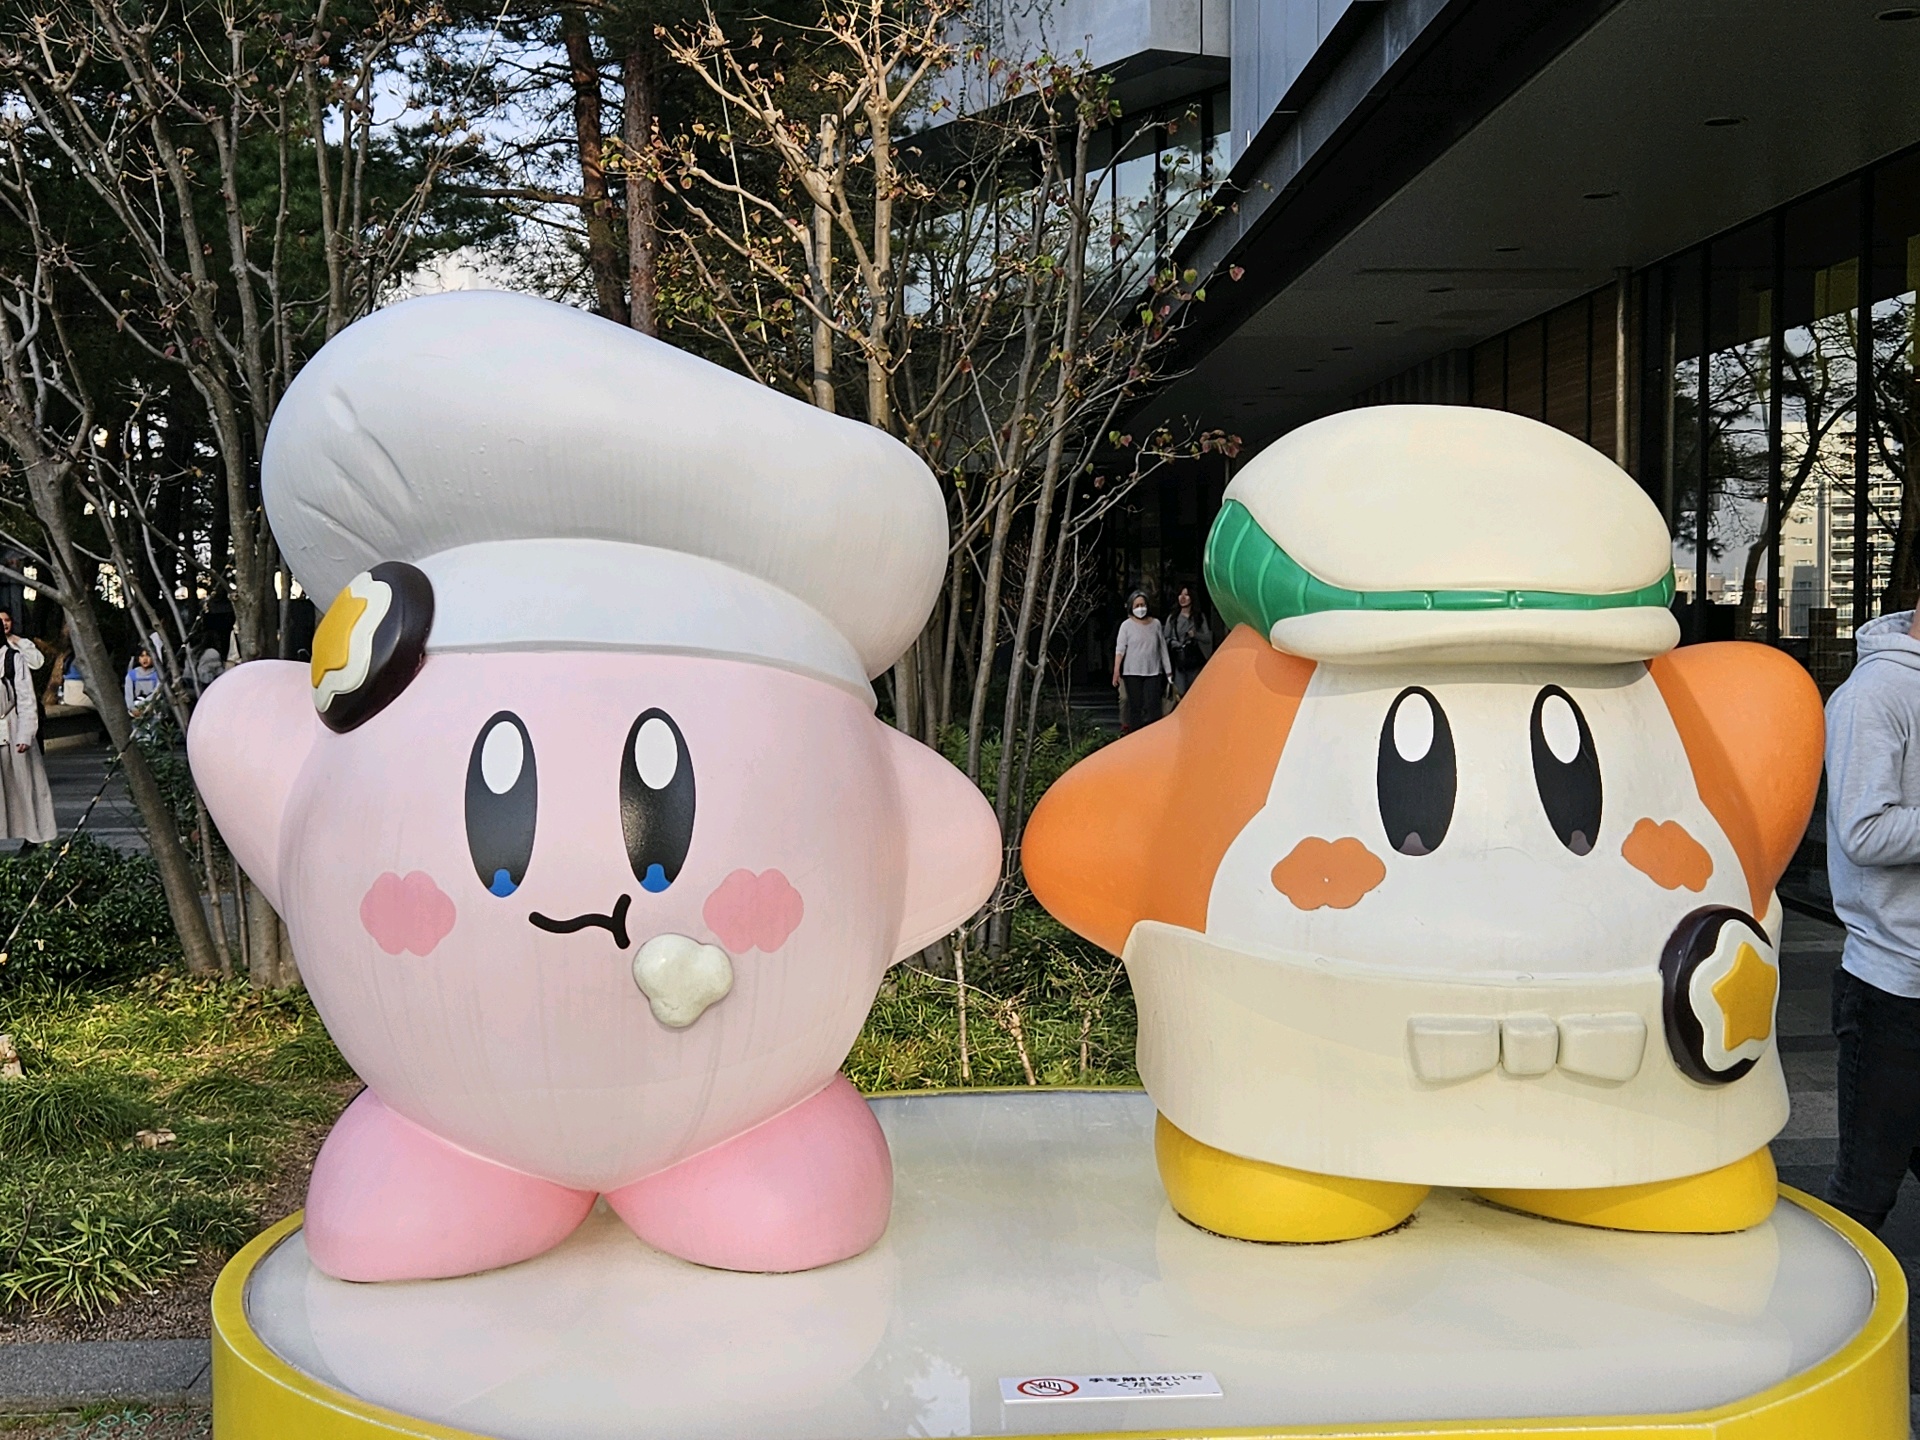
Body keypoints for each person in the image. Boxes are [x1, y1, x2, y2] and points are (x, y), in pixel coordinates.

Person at [1825, 606, 1920, 1232]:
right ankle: (1814, 1297)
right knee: (1862, 1195)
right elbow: (1863, 832)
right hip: (1893, 990)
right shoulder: (1875, 694)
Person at [0, 611, 55, 847]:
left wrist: (25, 733)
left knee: (25, 782)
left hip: (13, 726)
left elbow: (26, 698)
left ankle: (33, 836)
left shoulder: (14, 656)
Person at [1112, 590, 1171, 733]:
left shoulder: (1156, 624)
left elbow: (1162, 648)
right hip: (1132, 672)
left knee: (1152, 706)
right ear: (1131, 607)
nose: (1140, 608)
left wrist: (1168, 671)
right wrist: (1116, 670)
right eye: (1137, 605)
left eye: (1143, 605)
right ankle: (1135, 734)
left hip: (1153, 672)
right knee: (1135, 706)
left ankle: (1153, 734)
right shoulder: (1126, 625)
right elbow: (1120, 649)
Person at [1166, 585, 1213, 696]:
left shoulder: (1199, 617)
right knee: (1180, 692)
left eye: (1186, 595)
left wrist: (1196, 635)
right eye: (1180, 594)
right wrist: (1175, 644)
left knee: (1195, 692)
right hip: (1179, 661)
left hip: (1195, 660)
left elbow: (1208, 638)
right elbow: (1165, 638)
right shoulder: (1173, 618)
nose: (1183, 598)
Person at [124, 649, 161, 719]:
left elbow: (157, 692)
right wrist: (132, 708)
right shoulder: (131, 675)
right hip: (136, 712)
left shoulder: (158, 674)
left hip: (154, 710)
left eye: (148, 655)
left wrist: (143, 705)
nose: (145, 659)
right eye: (142, 656)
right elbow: (128, 694)